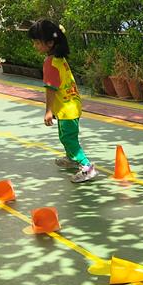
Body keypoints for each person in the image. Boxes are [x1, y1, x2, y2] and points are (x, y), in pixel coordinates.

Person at [28, 20, 97, 183]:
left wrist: (48, 111)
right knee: (65, 136)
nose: (34, 46)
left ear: (50, 43)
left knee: (68, 139)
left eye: (37, 42)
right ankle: (71, 159)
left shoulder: (50, 63)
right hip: (71, 105)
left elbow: (51, 89)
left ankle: (87, 167)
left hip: (67, 108)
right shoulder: (59, 58)